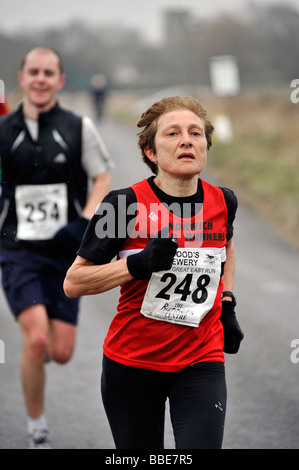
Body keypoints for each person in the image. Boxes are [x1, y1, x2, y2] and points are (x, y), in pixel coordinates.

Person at [64, 95, 243, 449]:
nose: (187, 140)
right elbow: (74, 282)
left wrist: (226, 302)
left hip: (200, 358)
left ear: (206, 144)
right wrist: (137, 264)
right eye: (173, 133)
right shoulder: (123, 205)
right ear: (151, 152)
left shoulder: (224, 201)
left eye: (195, 133)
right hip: (132, 363)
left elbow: (226, 247)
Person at [0, 47, 114, 449]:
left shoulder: (78, 127)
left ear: (60, 80)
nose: (41, 79)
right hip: (18, 250)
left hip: (66, 251)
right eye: (34, 71)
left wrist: (85, 221)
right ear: (23, 77)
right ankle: (36, 427)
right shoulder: (3, 129)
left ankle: (43, 353)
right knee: (35, 340)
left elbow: (101, 178)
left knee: (61, 352)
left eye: (49, 72)